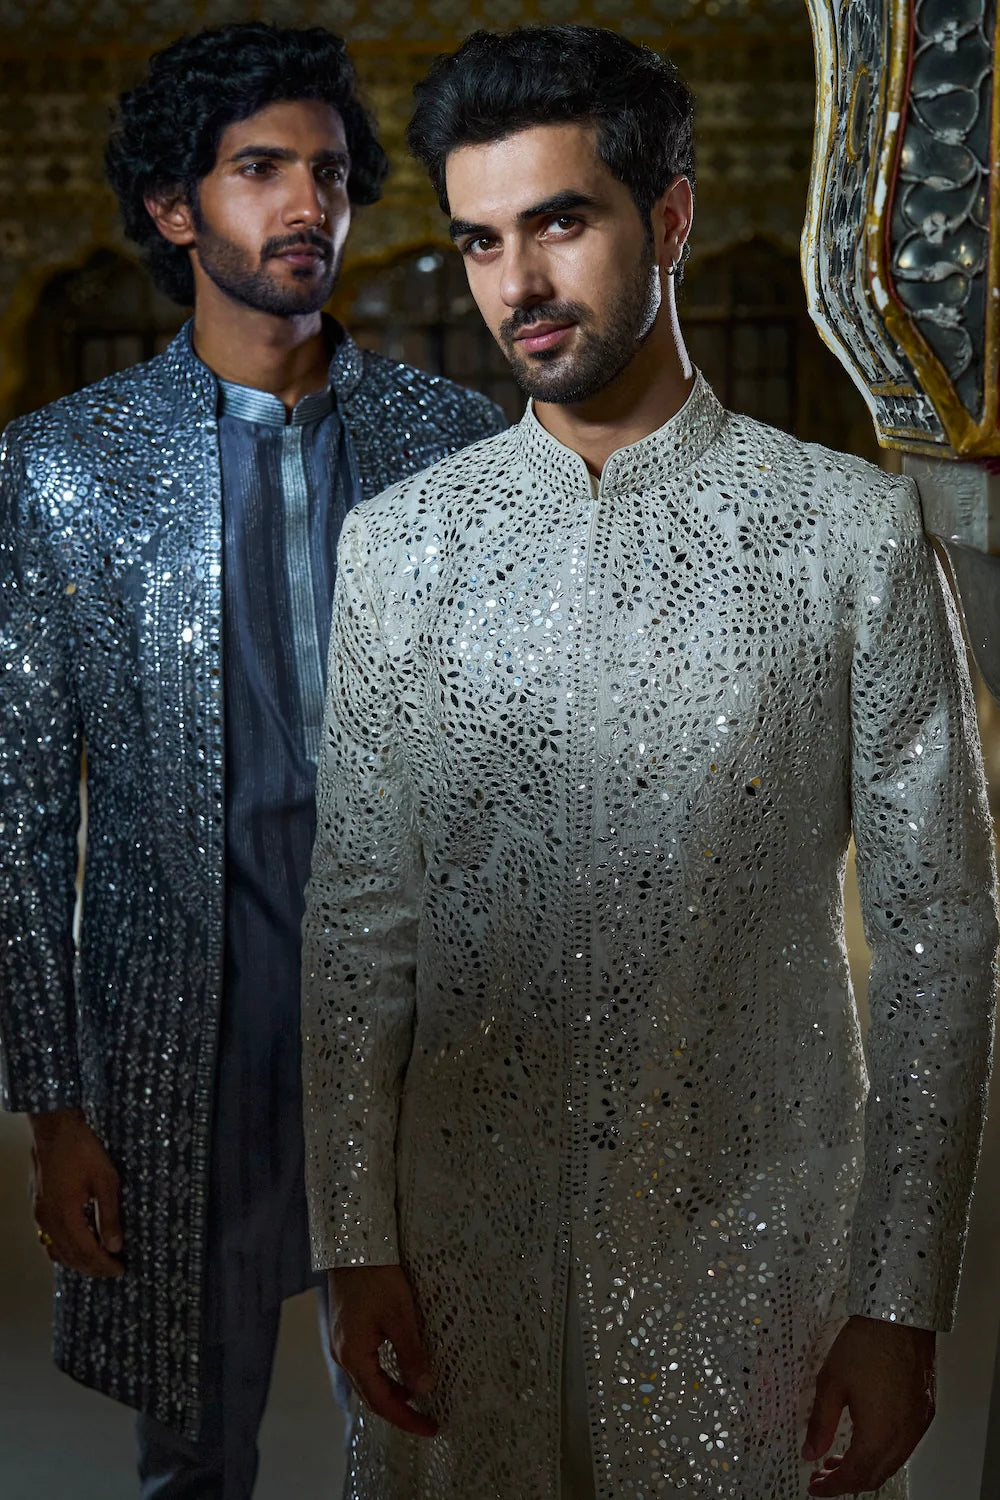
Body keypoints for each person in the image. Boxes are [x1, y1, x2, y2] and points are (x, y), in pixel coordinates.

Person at [300, 23, 999, 1500]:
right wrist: (354, 1242)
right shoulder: (402, 550)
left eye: (560, 222)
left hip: (758, 1266)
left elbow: (941, 932)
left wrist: (900, 1299)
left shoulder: (848, 535)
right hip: (461, 1260)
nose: (518, 285)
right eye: (482, 241)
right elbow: (360, 925)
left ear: (668, 218)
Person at [0, 21, 503, 1499]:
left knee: (436, 1421)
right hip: (186, 1024)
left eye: (330, 173)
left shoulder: (450, 442)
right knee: (194, 1440)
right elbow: (19, 810)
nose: (307, 206)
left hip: (417, 1016)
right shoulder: (68, 467)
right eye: (261, 169)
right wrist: (55, 1110)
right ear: (175, 206)